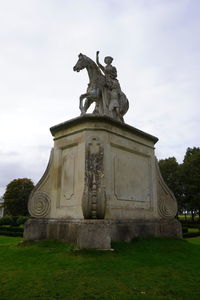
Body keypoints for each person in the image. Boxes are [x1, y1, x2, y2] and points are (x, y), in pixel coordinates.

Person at [96, 51, 121, 119]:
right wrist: (97, 56)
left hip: (112, 80)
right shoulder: (105, 67)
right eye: (106, 59)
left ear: (111, 61)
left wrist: (110, 76)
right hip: (106, 80)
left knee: (114, 89)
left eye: (109, 59)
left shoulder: (113, 68)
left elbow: (115, 74)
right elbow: (98, 64)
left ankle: (115, 102)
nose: (107, 60)